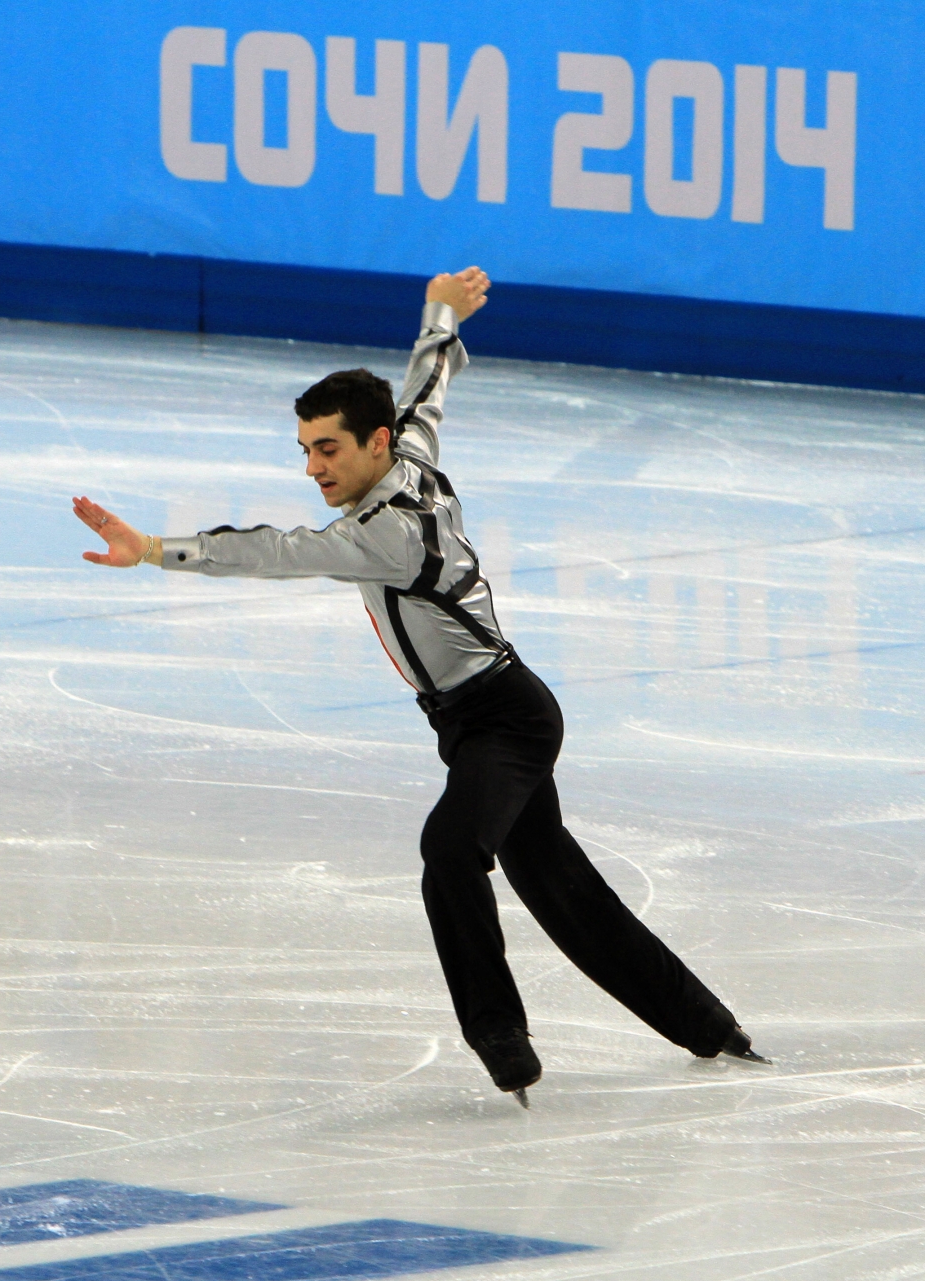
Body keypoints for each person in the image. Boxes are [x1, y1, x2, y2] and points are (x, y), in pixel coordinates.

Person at [73, 265, 769, 1107]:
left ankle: (499, 1037)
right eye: (304, 450)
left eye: (326, 449)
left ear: (371, 444)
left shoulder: (385, 538)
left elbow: (273, 549)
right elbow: (427, 388)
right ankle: (708, 1026)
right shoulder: (407, 450)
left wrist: (152, 547)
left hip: (505, 719)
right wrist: (441, 311)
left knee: (452, 852)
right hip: (475, 719)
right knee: (562, 888)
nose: (312, 470)